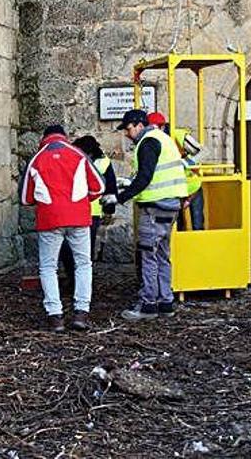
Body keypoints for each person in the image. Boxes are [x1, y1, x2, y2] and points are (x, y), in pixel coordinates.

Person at [101, 109, 187, 321]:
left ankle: (148, 304)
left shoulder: (147, 142)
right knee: (161, 255)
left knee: (148, 255)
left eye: (129, 129)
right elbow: (153, 174)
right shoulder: (163, 139)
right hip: (170, 205)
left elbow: (146, 178)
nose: (127, 134)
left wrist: (118, 198)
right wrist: (128, 182)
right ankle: (166, 302)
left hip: (155, 207)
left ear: (139, 124)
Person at [20, 124, 105, 332]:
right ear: (65, 137)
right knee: (83, 264)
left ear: (44, 138)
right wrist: (81, 200)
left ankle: (55, 315)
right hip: (78, 217)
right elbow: (99, 187)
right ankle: (81, 313)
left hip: (49, 219)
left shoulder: (37, 159)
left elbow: (25, 198)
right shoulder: (78, 155)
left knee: (48, 267)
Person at [59, 135, 118, 286]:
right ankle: (82, 283)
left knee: (67, 248)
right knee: (85, 251)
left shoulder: (75, 160)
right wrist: (110, 208)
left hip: (75, 211)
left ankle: (74, 280)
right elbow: (110, 186)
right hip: (92, 212)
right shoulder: (104, 162)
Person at [148, 111, 205, 231]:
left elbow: (203, 152)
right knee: (176, 227)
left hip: (191, 186)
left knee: (197, 224)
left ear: (162, 127)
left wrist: (186, 162)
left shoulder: (178, 135)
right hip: (172, 190)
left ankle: (198, 249)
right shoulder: (149, 141)